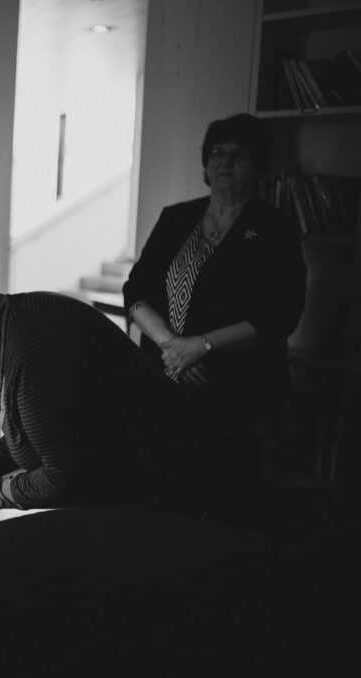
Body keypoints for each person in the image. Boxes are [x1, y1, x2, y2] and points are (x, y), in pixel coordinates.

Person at [0, 262, 203, 514]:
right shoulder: (2, 333)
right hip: (119, 481)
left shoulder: (33, 351)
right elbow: (30, 436)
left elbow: (67, 476)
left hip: (156, 488)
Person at [123, 113, 306, 510]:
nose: (225, 162)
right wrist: (173, 347)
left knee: (227, 509)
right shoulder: (176, 218)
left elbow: (281, 313)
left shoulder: (277, 228)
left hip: (240, 394)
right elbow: (135, 291)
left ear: (258, 166)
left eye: (239, 154)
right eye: (218, 152)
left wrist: (202, 346)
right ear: (206, 164)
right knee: (158, 501)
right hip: (164, 382)